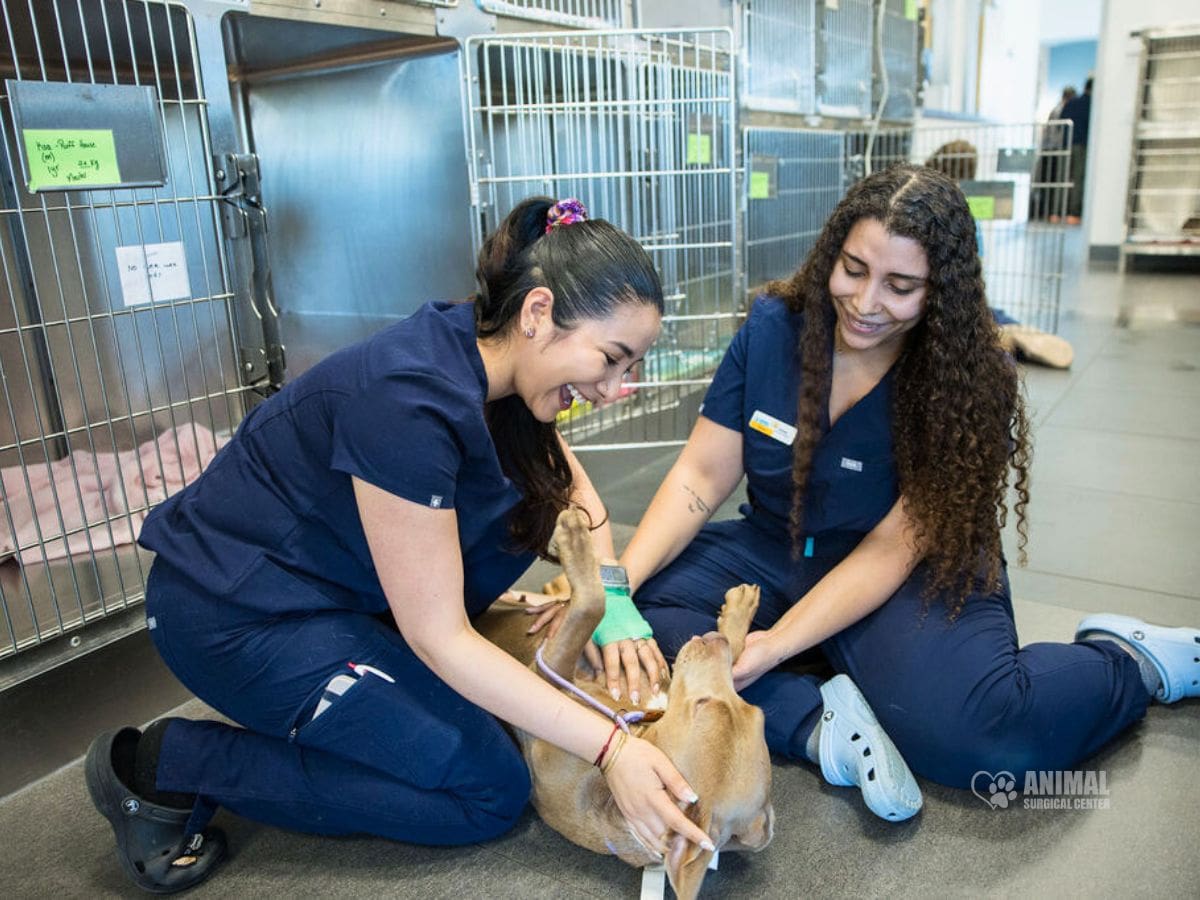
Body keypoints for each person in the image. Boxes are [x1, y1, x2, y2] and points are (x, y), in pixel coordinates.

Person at [84, 197, 714, 893]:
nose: (614, 389)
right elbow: (440, 638)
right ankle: (171, 764)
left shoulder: (494, 362)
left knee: (488, 730)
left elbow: (574, 492)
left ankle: (331, 723)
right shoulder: (405, 401)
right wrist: (613, 748)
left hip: (331, 600)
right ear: (537, 313)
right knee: (486, 792)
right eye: (611, 358)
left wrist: (615, 603)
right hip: (234, 616)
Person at [598, 165, 1197, 821]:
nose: (866, 301)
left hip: (911, 570)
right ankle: (817, 724)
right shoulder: (773, 327)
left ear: (940, 290)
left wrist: (774, 644)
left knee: (988, 740)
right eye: (853, 269)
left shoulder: (969, 380)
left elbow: (890, 548)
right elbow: (701, 477)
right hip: (777, 545)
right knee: (641, 625)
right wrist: (613, 588)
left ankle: (1130, 662)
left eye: (902, 286)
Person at [1060, 76, 1093, 224]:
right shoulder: (1091, 104)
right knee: (1078, 179)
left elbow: (1060, 121)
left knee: (1061, 179)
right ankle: (1074, 212)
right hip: (1081, 145)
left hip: (1065, 145)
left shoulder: (1072, 103)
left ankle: (1057, 211)